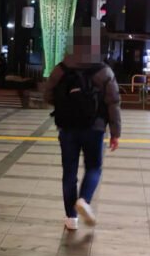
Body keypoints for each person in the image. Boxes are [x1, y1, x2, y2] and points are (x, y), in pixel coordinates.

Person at [43, 21, 121, 231]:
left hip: (67, 127)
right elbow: (113, 102)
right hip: (94, 128)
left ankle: (71, 218)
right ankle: (84, 199)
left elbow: (47, 95)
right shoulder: (104, 71)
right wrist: (115, 133)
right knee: (94, 167)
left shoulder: (61, 69)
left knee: (69, 172)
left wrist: (65, 104)